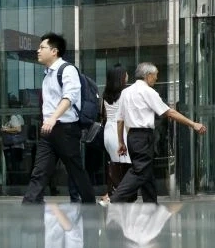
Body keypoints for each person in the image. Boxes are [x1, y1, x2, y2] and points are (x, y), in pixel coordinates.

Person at [110, 62, 207, 204]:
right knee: (139, 171)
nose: (156, 79)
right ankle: (114, 199)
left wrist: (121, 142)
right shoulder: (148, 92)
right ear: (148, 75)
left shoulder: (126, 92)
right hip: (143, 137)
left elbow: (120, 120)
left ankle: (151, 206)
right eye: (155, 76)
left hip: (132, 137)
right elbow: (169, 112)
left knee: (147, 173)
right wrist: (193, 124)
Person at [22, 33, 95, 205]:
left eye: (42, 48)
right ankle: (29, 205)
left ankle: (90, 206)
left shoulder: (67, 70)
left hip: (66, 129)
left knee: (75, 171)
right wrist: (48, 121)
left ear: (54, 51)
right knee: (39, 171)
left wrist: (53, 118)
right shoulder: (47, 75)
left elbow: (69, 97)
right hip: (49, 130)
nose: (38, 51)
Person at [99, 64, 132, 206]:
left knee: (115, 164)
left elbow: (104, 114)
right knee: (125, 166)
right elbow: (126, 116)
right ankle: (113, 196)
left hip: (108, 131)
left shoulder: (106, 94)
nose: (127, 76)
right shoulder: (126, 93)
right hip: (121, 131)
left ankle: (112, 194)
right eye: (126, 73)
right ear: (121, 77)